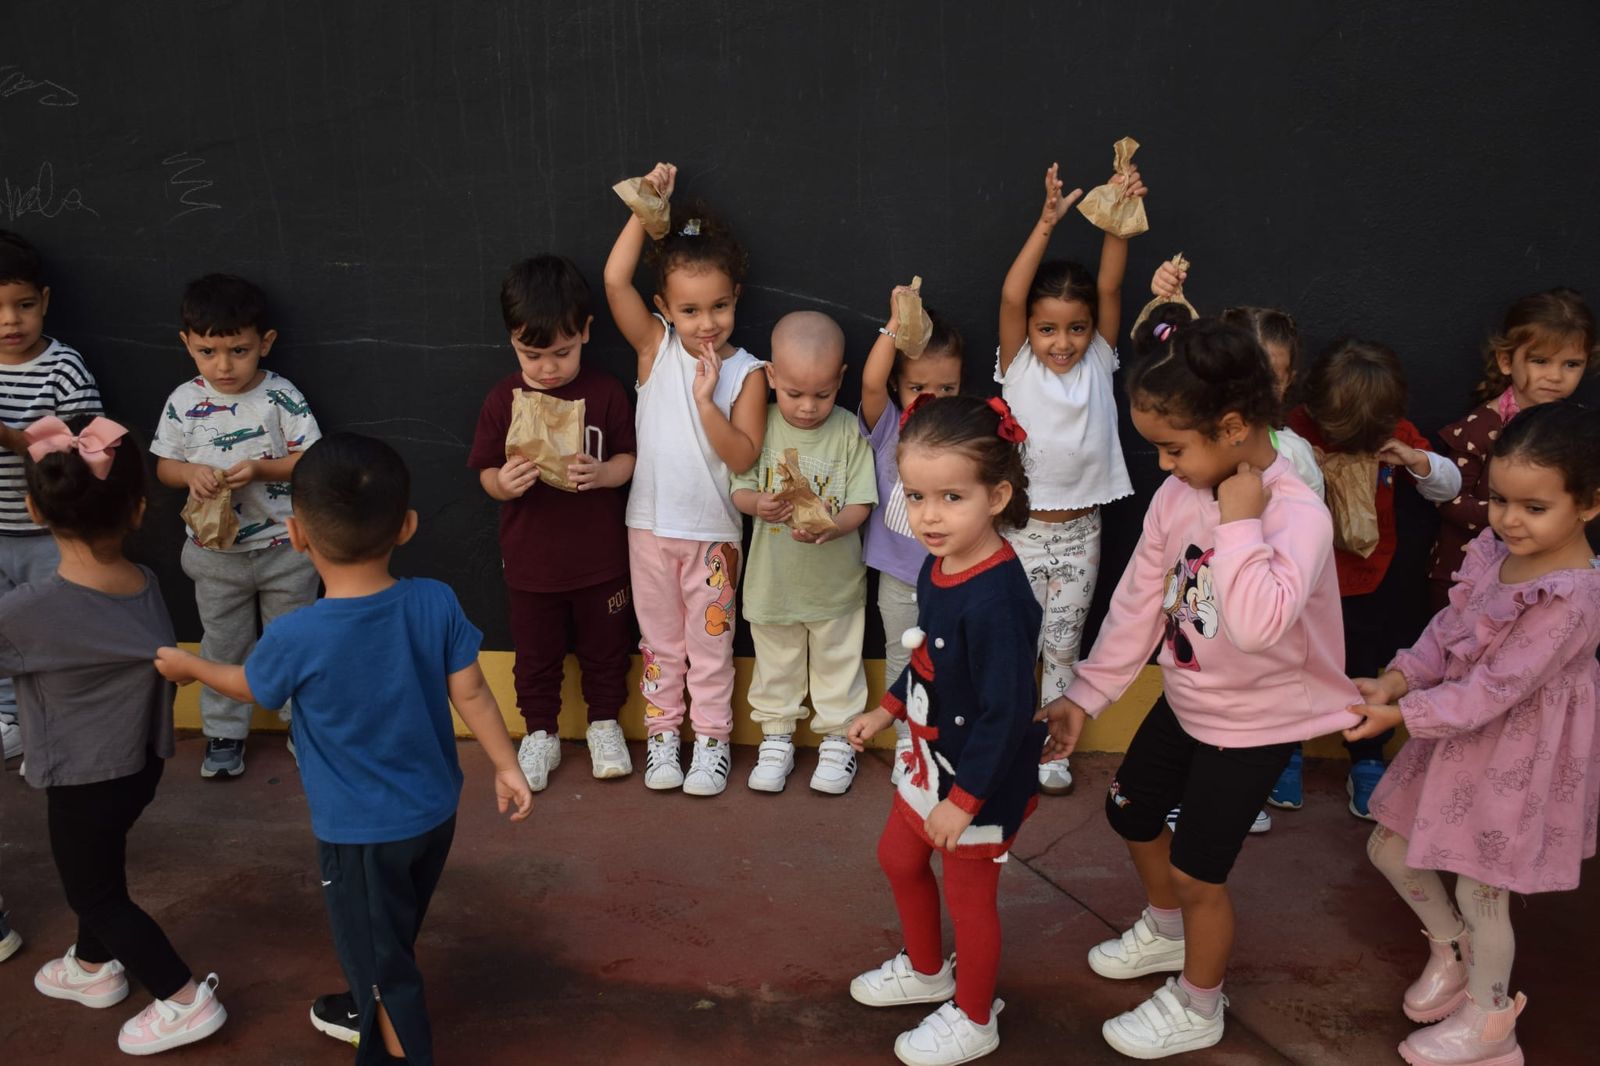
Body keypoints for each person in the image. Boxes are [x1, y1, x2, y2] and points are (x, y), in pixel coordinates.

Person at [154, 433, 534, 1065]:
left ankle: (389, 1035)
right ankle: (367, 999)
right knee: (390, 931)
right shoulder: (434, 600)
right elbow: (471, 692)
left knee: (384, 970)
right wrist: (506, 765)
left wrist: (190, 667)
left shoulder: (298, 633)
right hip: (434, 813)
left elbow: (250, 686)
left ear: (296, 534)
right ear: (407, 525)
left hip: (361, 835)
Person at [1040, 318, 1362, 1059]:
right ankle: (1166, 930)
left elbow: (1256, 626)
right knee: (1129, 812)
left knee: (1197, 872)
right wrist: (1085, 695)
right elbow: (1138, 601)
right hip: (1189, 700)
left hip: (1254, 724)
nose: (1163, 464)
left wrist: (1239, 524)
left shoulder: (1296, 515)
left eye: (1174, 448)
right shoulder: (1177, 495)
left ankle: (1199, 1004)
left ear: (1234, 426)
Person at [1349, 401, 1600, 1066]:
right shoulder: (1497, 552)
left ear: (1590, 505)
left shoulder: (1571, 599)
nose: (1510, 520)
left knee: (1482, 887)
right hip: (1458, 732)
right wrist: (1398, 680)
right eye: (1501, 500)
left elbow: (1497, 688)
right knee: (1390, 846)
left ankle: (1491, 1024)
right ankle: (1451, 950)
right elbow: (1450, 630)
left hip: (1517, 751)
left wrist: (1404, 714)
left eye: (1534, 507)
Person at [1, 416, 225, 1055]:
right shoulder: (145, 582)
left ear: (34, 510)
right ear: (138, 510)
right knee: (98, 864)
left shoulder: (27, 611)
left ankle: (184, 998)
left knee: (94, 892)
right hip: (139, 766)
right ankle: (93, 965)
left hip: (81, 777)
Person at [845, 395, 1042, 1066]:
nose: (929, 516)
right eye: (916, 495)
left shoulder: (998, 599)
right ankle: (928, 970)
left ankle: (975, 1015)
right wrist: (887, 709)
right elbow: (930, 659)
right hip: (929, 759)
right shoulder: (938, 564)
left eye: (952, 497)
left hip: (977, 780)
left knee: (970, 898)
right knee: (898, 858)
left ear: (997, 496)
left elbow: (1007, 715)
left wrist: (965, 801)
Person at [603, 162, 766, 796]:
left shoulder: (748, 373)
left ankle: (713, 741)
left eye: (719, 306)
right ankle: (664, 737)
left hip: (715, 538)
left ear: (736, 298)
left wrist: (706, 402)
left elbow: (744, 456)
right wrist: (645, 209)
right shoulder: (657, 349)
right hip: (649, 529)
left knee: (712, 648)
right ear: (664, 309)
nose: (706, 323)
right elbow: (615, 279)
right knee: (660, 645)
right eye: (690, 310)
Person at [995, 161, 1145, 795]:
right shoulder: (1018, 364)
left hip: (1082, 534)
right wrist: (1046, 223)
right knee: (1014, 648)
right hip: (1019, 535)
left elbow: (1110, 284)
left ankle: (1052, 750)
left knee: (1063, 647)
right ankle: (1005, 742)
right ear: (1029, 330)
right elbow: (1011, 296)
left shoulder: (1100, 361)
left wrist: (1117, 216)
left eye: (1076, 328)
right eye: (1048, 329)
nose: (1063, 342)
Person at [468, 255, 637, 789]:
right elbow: (484, 472)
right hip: (531, 563)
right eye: (532, 355)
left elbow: (630, 458)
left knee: (606, 650)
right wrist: (503, 483)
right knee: (534, 656)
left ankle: (604, 724)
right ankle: (539, 732)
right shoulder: (504, 399)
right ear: (512, 341)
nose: (547, 369)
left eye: (561, 353)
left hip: (601, 560)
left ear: (585, 331)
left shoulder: (605, 392)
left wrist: (605, 473)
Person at [151, 274, 321, 779]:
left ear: (265, 343)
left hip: (285, 548)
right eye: (207, 352)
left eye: (238, 351)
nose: (223, 366)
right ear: (187, 344)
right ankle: (224, 732)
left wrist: (263, 469)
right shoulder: (184, 400)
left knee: (293, 639)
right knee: (223, 645)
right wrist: (190, 474)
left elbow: (312, 459)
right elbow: (164, 466)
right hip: (214, 555)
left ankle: (303, 724)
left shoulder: (281, 396)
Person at [1285, 341, 1462, 816]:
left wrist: (1415, 459)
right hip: (1304, 579)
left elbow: (1449, 486)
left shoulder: (1392, 433)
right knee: (1295, 664)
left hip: (1369, 576)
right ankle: (1287, 750)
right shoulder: (1297, 428)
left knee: (1363, 668)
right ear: (1315, 410)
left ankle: (1366, 757)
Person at [731, 311, 877, 794]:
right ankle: (776, 738)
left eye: (823, 394)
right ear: (772, 376)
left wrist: (834, 526)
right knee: (775, 666)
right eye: (794, 394)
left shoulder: (850, 431)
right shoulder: (761, 425)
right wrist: (758, 504)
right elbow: (739, 487)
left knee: (839, 664)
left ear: (841, 379)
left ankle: (839, 737)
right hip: (773, 584)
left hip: (836, 586)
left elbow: (861, 503)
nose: (809, 407)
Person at [0, 229, 103, 764]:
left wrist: (15, 440)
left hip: (49, 532)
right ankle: (10, 720)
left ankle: (56, 728)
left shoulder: (63, 368)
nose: (10, 321)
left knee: (54, 630)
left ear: (44, 301)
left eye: (23, 305)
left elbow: (90, 450)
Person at [1428, 288, 1595, 612]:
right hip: (1465, 575)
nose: (1555, 376)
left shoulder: (1578, 428)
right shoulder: (1478, 429)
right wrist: (1521, 515)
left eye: (1571, 364)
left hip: (1546, 574)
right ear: (1506, 361)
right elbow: (1450, 502)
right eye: (1540, 361)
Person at [858, 284, 963, 783]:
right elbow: (870, 382)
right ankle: (907, 743)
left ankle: (946, 741)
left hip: (954, 575)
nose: (932, 399)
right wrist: (895, 326)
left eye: (947, 389)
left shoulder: (965, 435)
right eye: (917, 386)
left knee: (953, 659)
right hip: (899, 576)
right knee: (902, 657)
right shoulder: (890, 428)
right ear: (899, 388)